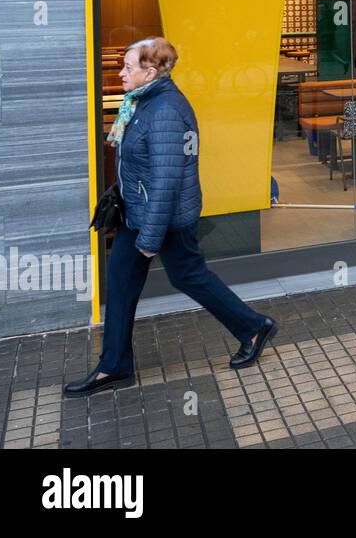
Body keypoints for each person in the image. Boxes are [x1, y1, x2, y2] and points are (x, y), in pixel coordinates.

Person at [66, 38, 279, 396]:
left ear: (150, 72)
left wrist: (149, 239)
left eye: (129, 67)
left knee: (188, 276)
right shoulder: (143, 102)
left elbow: (167, 179)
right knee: (127, 282)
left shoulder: (164, 110)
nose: (121, 73)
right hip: (141, 213)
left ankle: (254, 327)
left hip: (160, 218)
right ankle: (114, 365)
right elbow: (143, 166)